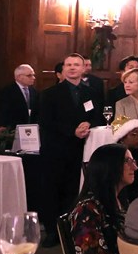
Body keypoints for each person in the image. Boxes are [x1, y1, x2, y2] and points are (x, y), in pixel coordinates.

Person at [37, 53, 105, 243]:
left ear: (83, 69)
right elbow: (46, 122)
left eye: (76, 64)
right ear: (63, 69)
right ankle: (52, 232)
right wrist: (72, 131)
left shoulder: (91, 93)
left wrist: (88, 124)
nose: (72, 68)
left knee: (74, 190)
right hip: (56, 149)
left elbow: (98, 116)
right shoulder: (50, 93)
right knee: (53, 190)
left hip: (81, 149)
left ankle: (71, 230)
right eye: (68, 65)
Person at [0, 63, 41, 129]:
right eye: (29, 75)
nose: (33, 78)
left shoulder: (34, 91)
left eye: (33, 75)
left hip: (30, 128)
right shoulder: (6, 92)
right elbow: (3, 113)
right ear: (19, 77)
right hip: (13, 128)